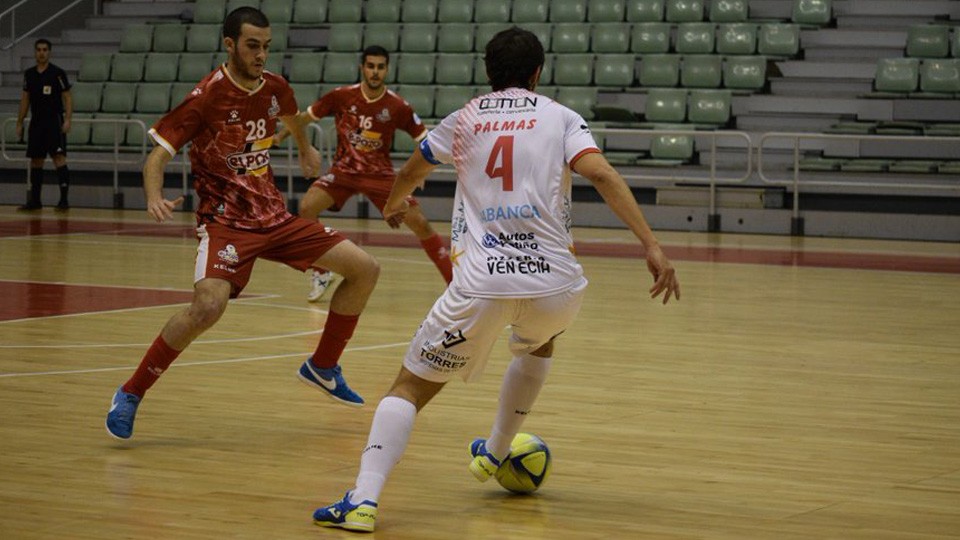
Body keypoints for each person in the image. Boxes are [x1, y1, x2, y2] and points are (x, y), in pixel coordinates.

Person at [310, 27, 681, 532]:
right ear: (537, 73)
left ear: (488, 74)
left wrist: (396, 201)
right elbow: (602, 175)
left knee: (409, 389)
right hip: (557, 287)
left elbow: (415, 168)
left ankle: (363, 500)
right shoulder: (561, 117)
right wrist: (652, 245)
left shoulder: (463, 119)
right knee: (541, 341)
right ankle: (495, 452)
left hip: (482, 286)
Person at [105, 7, 381, 440]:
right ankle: (131, 392)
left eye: (267, 46)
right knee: (208, 307)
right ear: (229, 44)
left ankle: (322, 366)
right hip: (227, 224)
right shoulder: (206, 96)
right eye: (253, 46)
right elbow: (157, 156)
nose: (261, 55)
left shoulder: (275, 86)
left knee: (365, 269)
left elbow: (290, 115)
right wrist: (154, 196)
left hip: (274, 217)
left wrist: (306, 149)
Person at [275, 46, 452, 303]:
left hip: (379, 175)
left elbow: (425, 138)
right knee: (306, 208)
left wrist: (423, 169)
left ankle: (454, 283)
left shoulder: (397, 105)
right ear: (362, 68)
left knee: (421, 223)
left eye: (380, 67)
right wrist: (281, 135)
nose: (375, 72)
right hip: (343, 171)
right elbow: (305, 117)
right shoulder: (341, 96)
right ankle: (321, 272)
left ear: (387, 69)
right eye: (371, 66)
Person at [16, 38, 72, 211]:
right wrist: (20, 122)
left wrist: (68, 119)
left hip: (54, 122)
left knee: (59, 158)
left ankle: (63, 200)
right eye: (38, 49)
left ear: (49, 52)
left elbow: (67, 97)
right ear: (35, 52)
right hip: (37, 122)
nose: (41, 52)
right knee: (36, 160)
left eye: (45, 50)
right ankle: (35, 200)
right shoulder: (29, 74)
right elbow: (25, 99)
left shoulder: (57, 73)